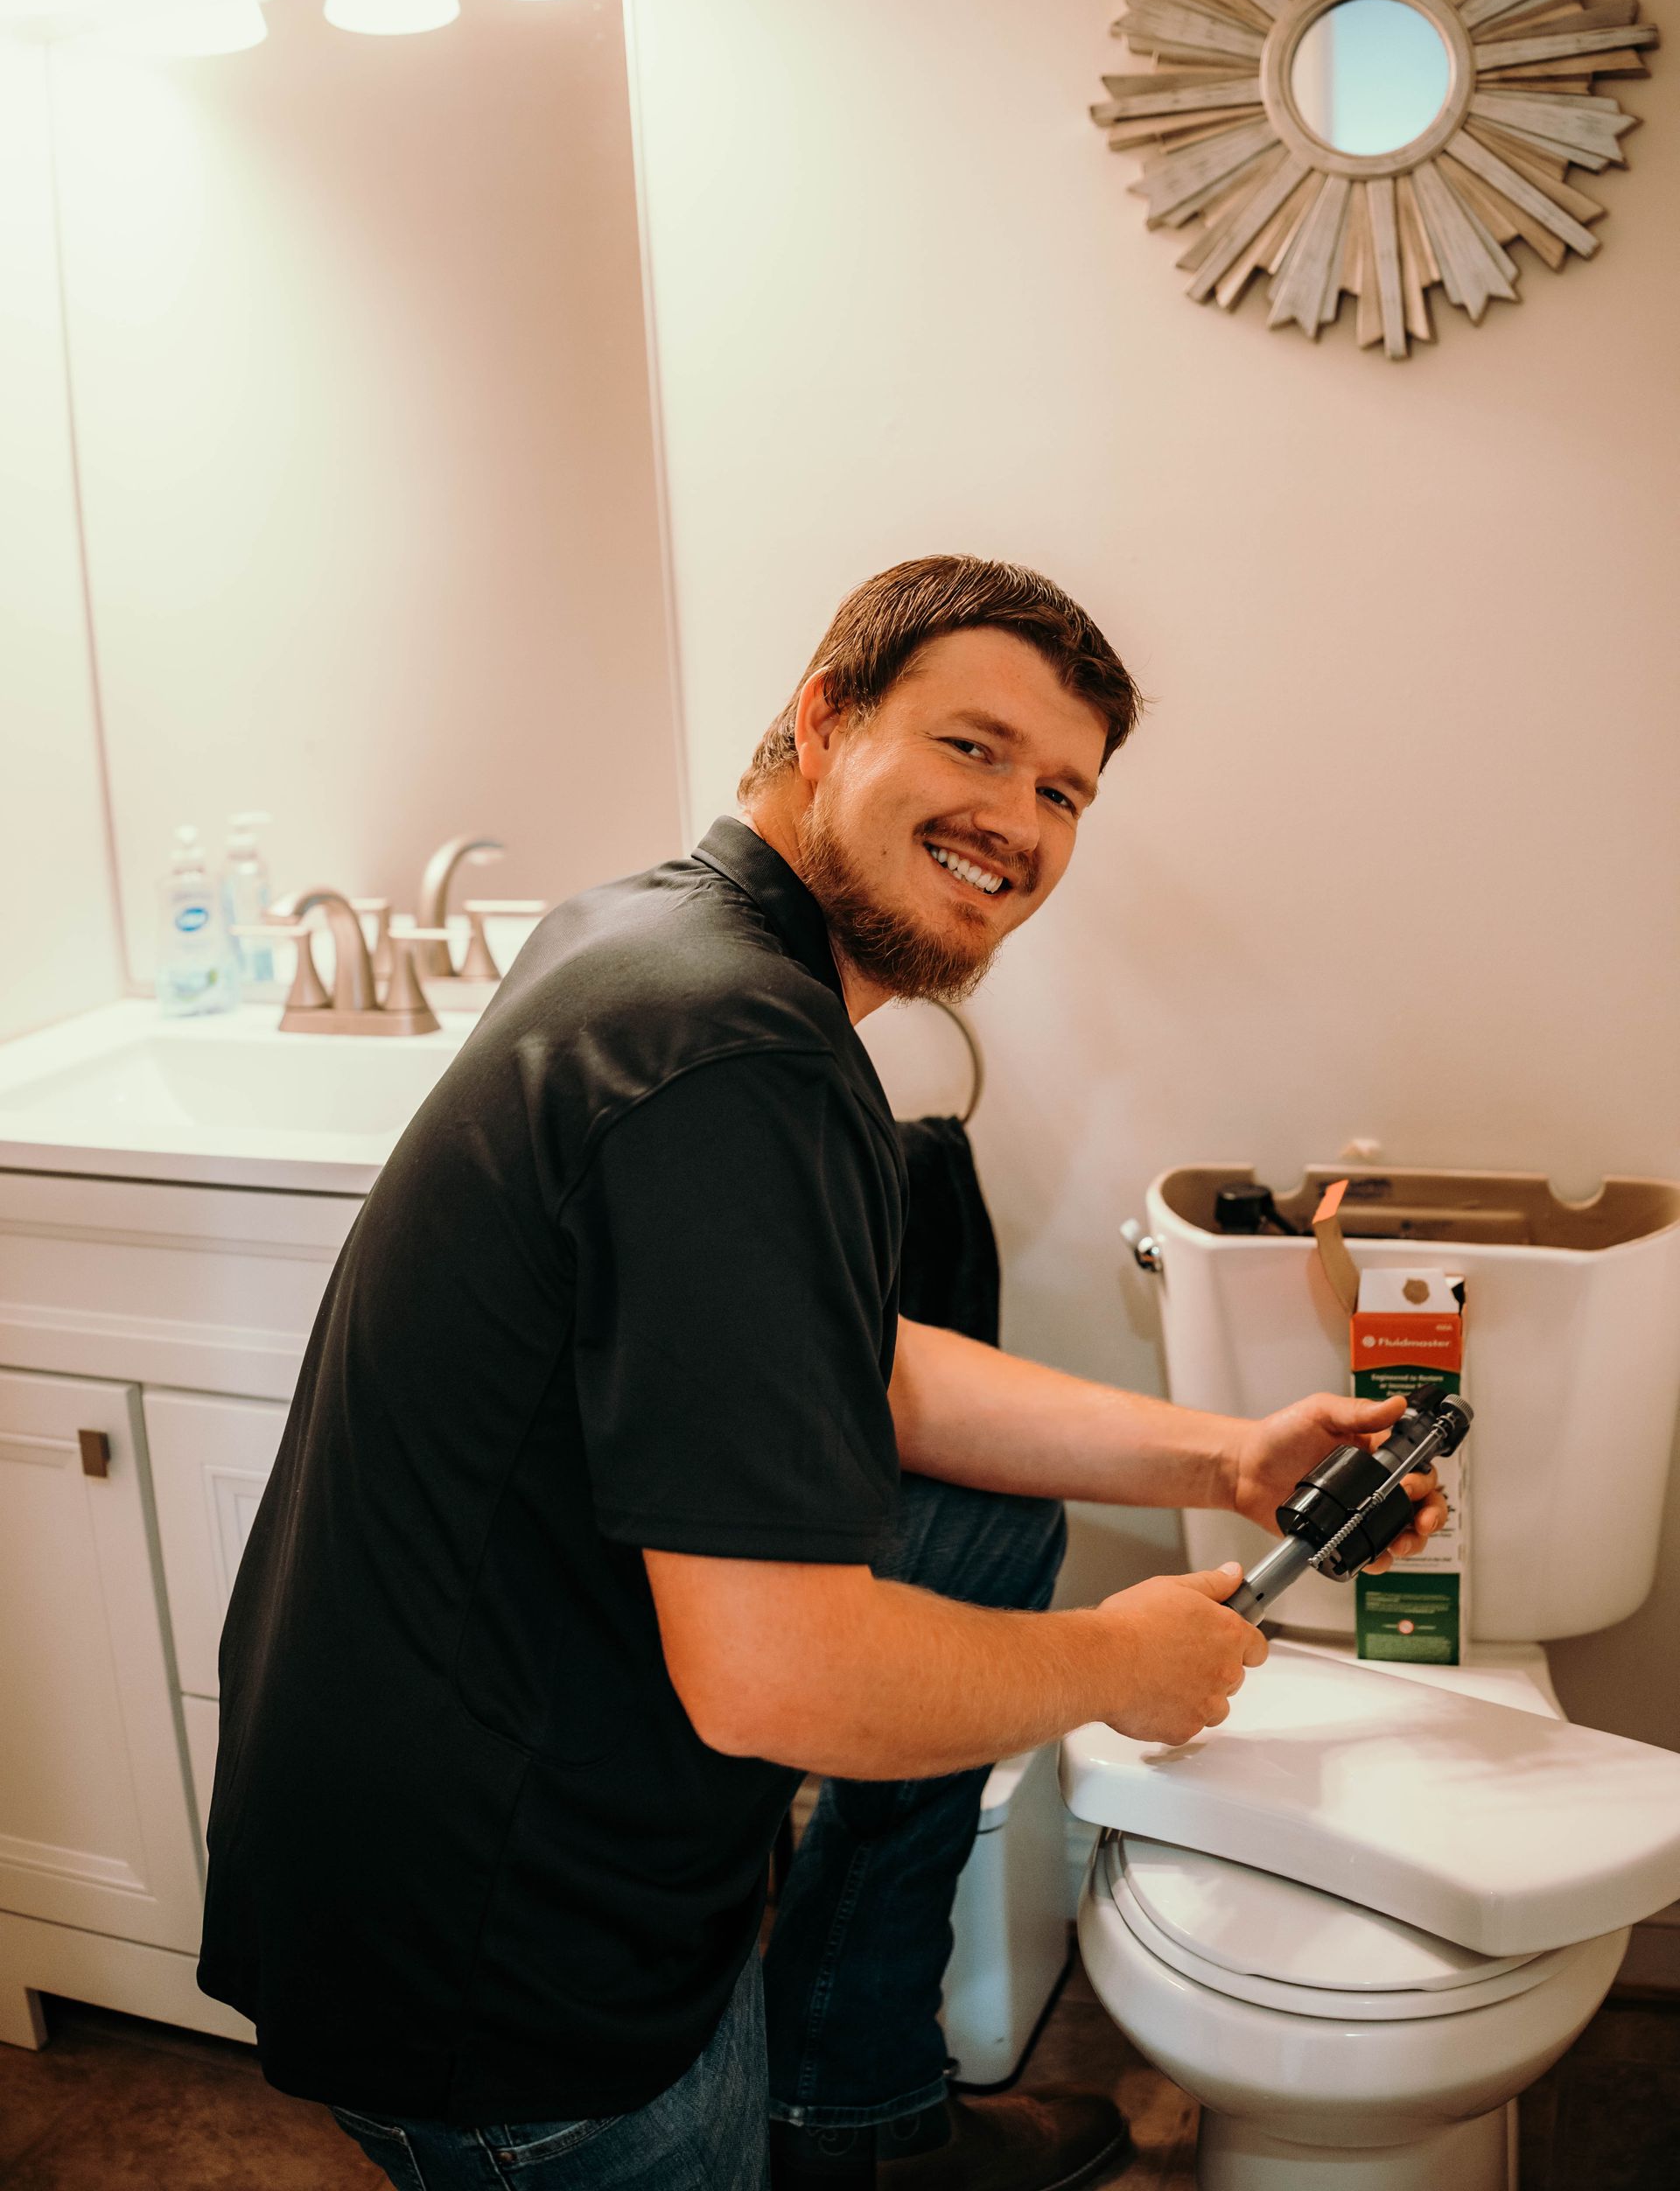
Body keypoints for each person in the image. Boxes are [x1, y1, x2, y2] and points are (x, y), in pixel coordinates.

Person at [199, 556, 1446, 2191]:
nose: (1021, 821)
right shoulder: (741, 1058)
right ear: (825, 720)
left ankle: (852, 2104)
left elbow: (863, 1368)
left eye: (1063, 790)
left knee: (984, 1531)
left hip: (398, 1784)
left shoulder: (652, 932)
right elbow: (777, 1679)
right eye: (975, 748)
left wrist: (1225, 1463)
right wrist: (1115, 1666)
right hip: (517, 1954)